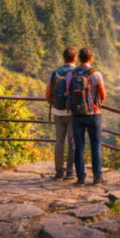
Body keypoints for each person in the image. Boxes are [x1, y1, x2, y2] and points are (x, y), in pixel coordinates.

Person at [67, 47, 106, 185]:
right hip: (93, 113)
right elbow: (103, 96)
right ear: (91, 58)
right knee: (95, 145)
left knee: (79, 146)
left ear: (79, 59)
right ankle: (97, 177)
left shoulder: (71, 74)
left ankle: (81, 178)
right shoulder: (96, 74)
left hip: (76, 114)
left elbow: (68, 93)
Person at [45, 47, 77, 181]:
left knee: (59, 141)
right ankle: (70, 172)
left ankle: (59, 171)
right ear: (75, 58)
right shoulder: (76, 73)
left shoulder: (54, 74)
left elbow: (47, 96)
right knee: (72, 142)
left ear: (64, 57)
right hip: (73, 113)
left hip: (57, 112)